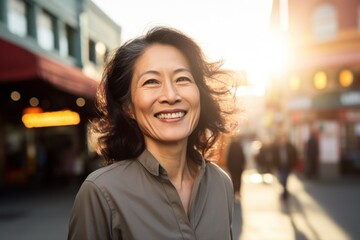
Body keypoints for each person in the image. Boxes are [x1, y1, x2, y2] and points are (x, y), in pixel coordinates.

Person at [68, 27, 236, 240]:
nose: (171, 95)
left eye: (182, 79)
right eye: (151, 81)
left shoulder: (220, 183)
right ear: (128, 106)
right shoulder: (100, 192)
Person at [274, 133, 298, 200]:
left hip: (287, 165)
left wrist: (293, 164)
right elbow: (274, 156)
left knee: (285, 178)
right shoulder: (277, 147)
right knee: (282, 178)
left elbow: (294, 155)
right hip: (280, 165)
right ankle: (284, 190)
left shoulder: (290, 146)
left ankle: (284, 190)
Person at [226, 135, 246, 201]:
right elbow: (243, 156)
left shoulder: (231, 146)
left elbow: (228, 157)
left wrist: (228, 165)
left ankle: (234, 192)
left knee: (233, 179)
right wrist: (243, 164)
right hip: (239, 166)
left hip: (232, 166)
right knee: (239, 179)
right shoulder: (239, 145)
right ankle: (238, 192)